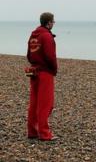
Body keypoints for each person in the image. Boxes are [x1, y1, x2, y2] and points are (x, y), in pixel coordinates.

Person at [26, 12, 58, 141]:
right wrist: (54, 69)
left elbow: (29, 55)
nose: (53, 23)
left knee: (34, 102)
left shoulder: (33, 36)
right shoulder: (46, 36)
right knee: (45, 103)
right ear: (48, 22)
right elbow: (50, 56)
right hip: (45, 72)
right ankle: (44, 133)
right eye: (53, 21)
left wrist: (35, 63)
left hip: (34, 71)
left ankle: (32, 131)